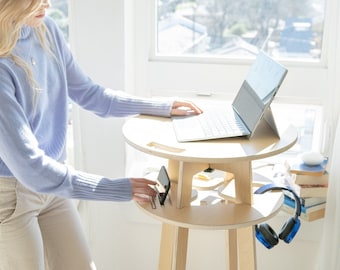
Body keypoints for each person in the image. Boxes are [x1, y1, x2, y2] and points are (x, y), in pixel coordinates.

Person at [0, 1, 202, 269]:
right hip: (13, 196)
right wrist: (116, 188)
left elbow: (90, 94)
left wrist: (160, 107)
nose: (47, 3)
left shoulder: (45, 29)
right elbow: (31, 167)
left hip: (54, 185)